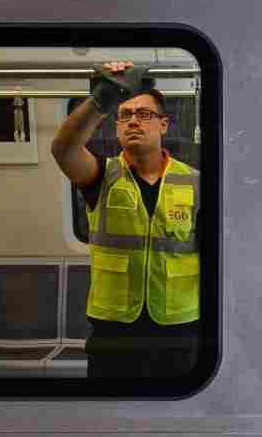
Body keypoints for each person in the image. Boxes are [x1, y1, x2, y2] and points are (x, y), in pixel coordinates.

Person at [51, 61, 201, 378]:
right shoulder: (101, 175)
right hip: (114, 333)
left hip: (179, 331)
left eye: (144, 114)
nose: (133, 121)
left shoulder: (196, 183)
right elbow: (64, 150)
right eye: (125, 115)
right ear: (117, 126)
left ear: (163, 125)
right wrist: (101, 99)